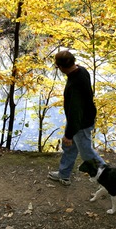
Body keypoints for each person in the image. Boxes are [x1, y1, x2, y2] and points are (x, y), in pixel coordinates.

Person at [48, 50, 105, 186]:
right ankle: (64, 174)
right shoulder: (81, 70)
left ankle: (109, 174)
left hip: (81, 123)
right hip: (81, 119)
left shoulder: (75, 84)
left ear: (61, 67)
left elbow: (75, 112)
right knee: (69, 147)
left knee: (86, 153)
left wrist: (69, 134)